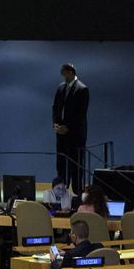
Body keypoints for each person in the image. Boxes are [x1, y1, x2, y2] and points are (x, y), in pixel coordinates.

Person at [52, 63, 89, 194]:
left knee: (76, 165)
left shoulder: (82, 89)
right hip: (61, 134)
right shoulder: (61, 88)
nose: (63, 76)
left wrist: (67, 128)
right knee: (61, 163)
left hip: (75, 134)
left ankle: (77, 192)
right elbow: (55, 107)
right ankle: (61, 192)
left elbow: (81, 113)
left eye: (65, 73)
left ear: (71, 72)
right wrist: (55, 124)